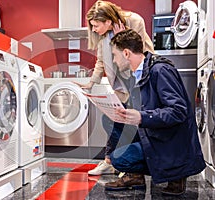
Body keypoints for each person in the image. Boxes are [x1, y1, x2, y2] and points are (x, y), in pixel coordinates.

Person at [103, 29, 206, 196]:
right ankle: (135, 176)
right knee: (109, 119)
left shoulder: (160, 70)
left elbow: (178, 111)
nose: (114, 60)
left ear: (127, 53)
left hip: (170, 142)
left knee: (119, 159)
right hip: (154, 131)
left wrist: (142, 116)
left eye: (115, 55)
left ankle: (176, 172)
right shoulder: (137, 75)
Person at [76, 0, 154, 176]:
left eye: (96, 25)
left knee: (130, 123)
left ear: (108, 21)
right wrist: (91, 83)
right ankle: (114, 162)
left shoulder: (135, 21)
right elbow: (101, 61)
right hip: (122, 84)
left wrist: (123, 38)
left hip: (140, 80)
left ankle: (125, 165)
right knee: (114, 119)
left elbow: (136, 55)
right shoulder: (104, 37)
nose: (94, 29)